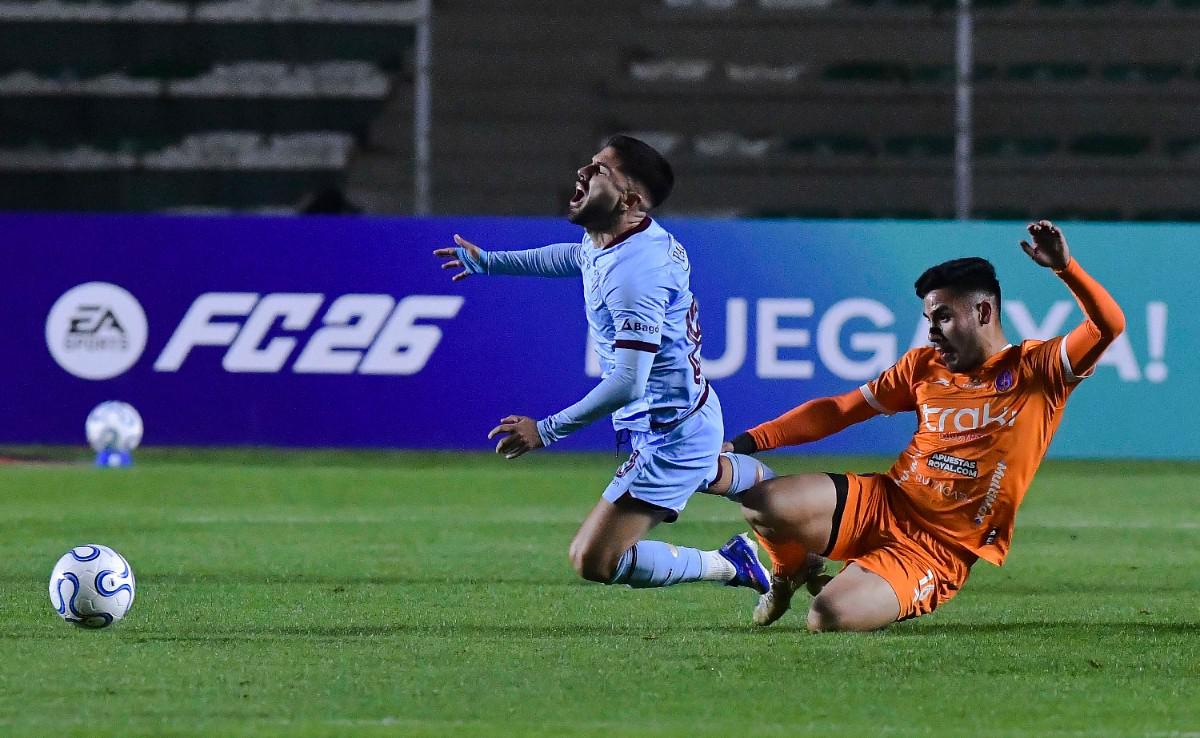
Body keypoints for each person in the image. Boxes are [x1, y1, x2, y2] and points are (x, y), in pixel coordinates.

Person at [711, 221, 1125, 631]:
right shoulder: (921, 367)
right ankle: (789, 572)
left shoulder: (1037, 370)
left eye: (943, 317)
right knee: (764, 503)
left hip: (939, 548)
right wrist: (746, 442)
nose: (931, 332)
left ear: (983, 311)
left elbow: (1108, 326)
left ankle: (866, 581)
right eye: (928, 318)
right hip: (883, 503)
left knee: (828, 616)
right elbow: (839, 411)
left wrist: (1065, 267)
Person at [433, 135, 770, 594]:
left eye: (600, 171)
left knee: (593, 559)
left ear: (630, 199)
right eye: (590, 164)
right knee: (703, 468)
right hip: (688, 413)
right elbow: (576, 256)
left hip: (667, 431)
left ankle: (730, 564)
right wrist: (491, 262)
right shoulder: (618, 239)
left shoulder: (637, 273)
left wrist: (546, 429)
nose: (583, 173)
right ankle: (773, 492)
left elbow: (630, 381)